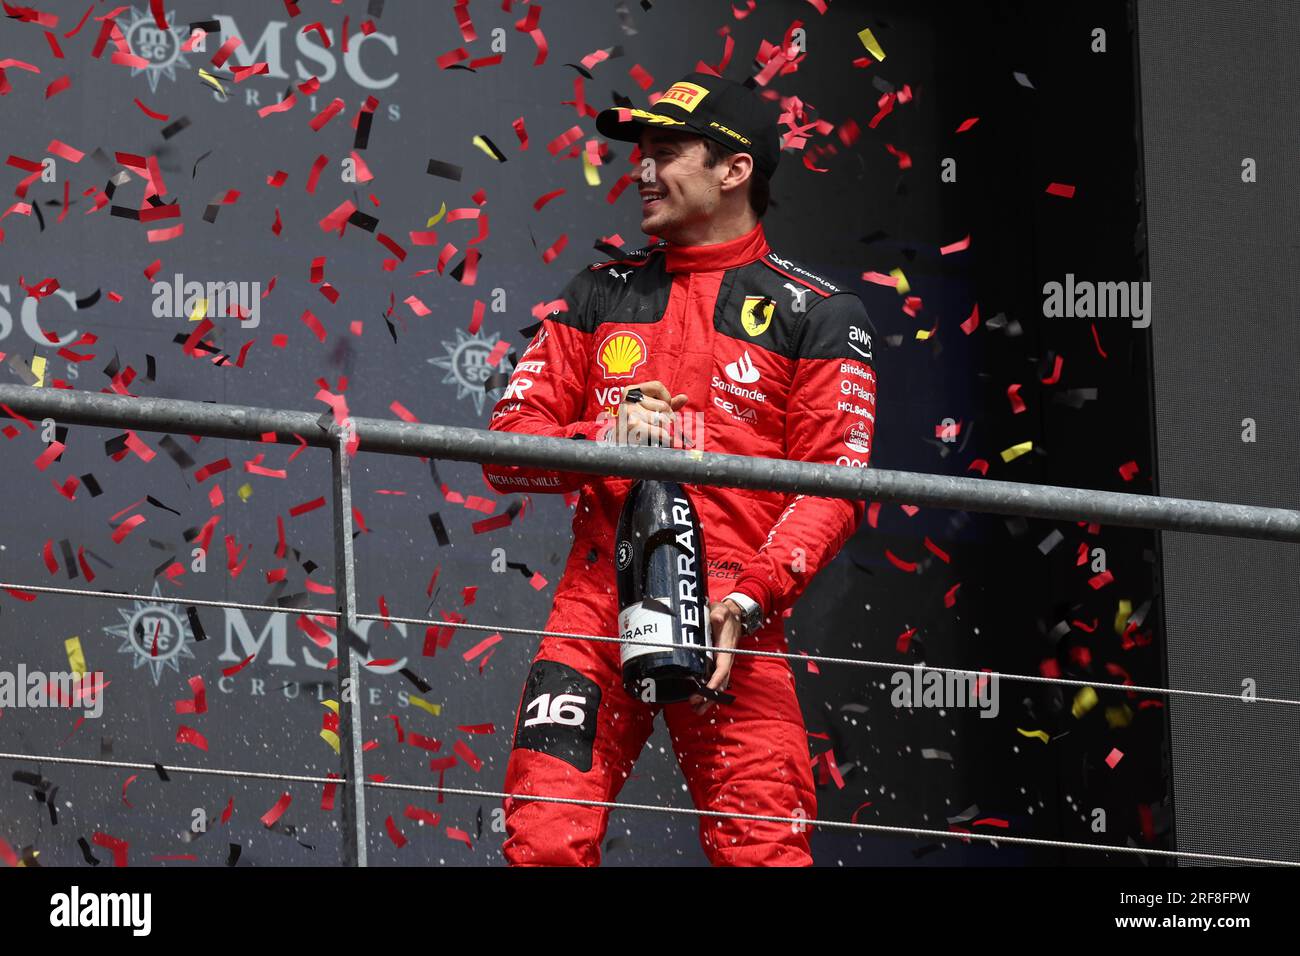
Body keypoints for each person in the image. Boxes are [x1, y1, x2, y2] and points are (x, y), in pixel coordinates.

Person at [482, 72, 878, 866]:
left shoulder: (820, 313)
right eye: (640, 153)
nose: (640, 170)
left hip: (737, 616)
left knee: (763, 854)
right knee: (544, 845)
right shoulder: (598, 292)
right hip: (595, 611)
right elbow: (504, 451)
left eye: (666, 152)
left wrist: (749, 598)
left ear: (734, 171)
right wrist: (605, 438)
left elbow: (835, 486)